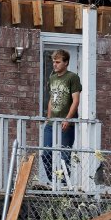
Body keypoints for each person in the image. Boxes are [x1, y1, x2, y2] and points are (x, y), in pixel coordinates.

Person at [42, 50, 81, 183]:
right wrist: (48, 118)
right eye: (54, 62)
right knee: (46, 153)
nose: (55, 64)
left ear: (66, 63)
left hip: (66, 124)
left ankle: (65, 184)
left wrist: (68, 119)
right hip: (52, 123)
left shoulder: (72, 77)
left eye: (58, 62)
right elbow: (51, 99)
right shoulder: (52, 77)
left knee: (65, 156)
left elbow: (76, 101)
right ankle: (53, 181)